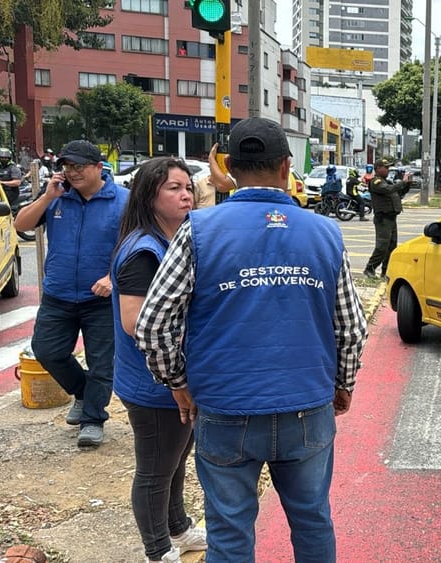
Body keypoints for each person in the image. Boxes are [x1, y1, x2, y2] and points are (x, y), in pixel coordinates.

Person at [134, 117, 368, 560]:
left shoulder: (200, 230)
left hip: (226, 410)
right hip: (307, 407)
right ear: (286, 166)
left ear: (230, 168)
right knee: (313, 522)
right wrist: (343, 384)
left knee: (229, 531)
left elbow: (153, 323)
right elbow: (352, 328)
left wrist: (178, 383)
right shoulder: (325, 232)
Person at [110, 157, 206, 563]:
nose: (186, 195)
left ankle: (178, 527)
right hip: (152, 383)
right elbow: (135, 322)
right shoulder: (144, 251)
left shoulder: (172, 241)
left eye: (188, 187)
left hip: (171, 377)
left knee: (175, 457)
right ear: (150, 196)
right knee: (154, 468)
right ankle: (158, 549)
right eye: (174, 188)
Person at [13, 140, 129, 448]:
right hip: (59, 294)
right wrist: (48, 196)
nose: (72, 173)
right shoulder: (57, 197)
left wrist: (112, 278)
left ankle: (92, 418)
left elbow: (136, 248)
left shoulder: (124, 201)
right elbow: (20, 224)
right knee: (47, 350)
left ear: (97, 167)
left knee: (102, 363)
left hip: (101, 299)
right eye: (67, 167)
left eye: (78, 167)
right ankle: (82, 391)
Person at [363, 158, 413, 280]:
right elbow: (389, 190)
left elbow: (399, 192)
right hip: (383, 219)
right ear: (378, 168)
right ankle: (370, 268)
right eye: (386, 167)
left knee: (391, 246)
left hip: (391, 218)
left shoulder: (387, 182)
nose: (388, 170)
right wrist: (402, 181)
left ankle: (385, 272)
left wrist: (407, 183)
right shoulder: (376, 182)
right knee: (382, 246)